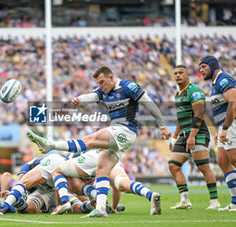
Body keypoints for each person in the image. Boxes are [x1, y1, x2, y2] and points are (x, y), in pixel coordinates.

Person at [27, 65, 171, 217]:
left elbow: (149, 103)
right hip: (118, 135)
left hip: (125, 130)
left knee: (91, 139)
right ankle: (102, 209)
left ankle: (50, 144)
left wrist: (162, 125)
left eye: (102, 82)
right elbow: (90, 96)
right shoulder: (103, 91)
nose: (100, 86)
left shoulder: (128, 86)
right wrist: (78, 100)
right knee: (101, 170)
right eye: (98, 84)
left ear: (111, 77)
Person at [168, 65, 220, 210]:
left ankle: (214, 202)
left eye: (181, 73)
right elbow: (180, 117)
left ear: (187, 75)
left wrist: (192, 136)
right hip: (184, 134)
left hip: (198, 132)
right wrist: (174, 137)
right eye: (175, 73)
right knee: (173, 165)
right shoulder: (178, 94)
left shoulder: (194, 91)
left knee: (203, 166)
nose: (178, 75)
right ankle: (185, 201)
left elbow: (198, 114)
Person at [51, 149, 161, 215]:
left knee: (72, 184)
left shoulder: (71, 160)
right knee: (122, 183)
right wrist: (114, 207)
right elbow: (116, 190)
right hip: (108, 156)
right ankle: (150, 194)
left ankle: (64, 203)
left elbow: (72, 186)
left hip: (88, 158)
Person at [199, 56, 236, 211]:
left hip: (232, 124)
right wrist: (221, 129)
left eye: (204, 67)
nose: (201, 71)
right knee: (222, 160)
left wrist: (226, 127)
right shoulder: (215, 84)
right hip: (225, 126)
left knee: (234, 158)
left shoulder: (223, 79)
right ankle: (235, 202)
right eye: (200, 68)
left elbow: (233, 102)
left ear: (213, 66)